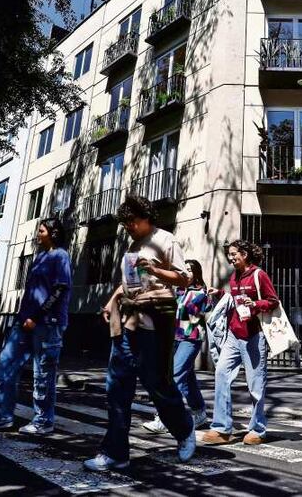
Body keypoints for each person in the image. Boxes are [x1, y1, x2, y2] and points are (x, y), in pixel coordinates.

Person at [84, 195, 196, 472]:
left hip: (154, 321)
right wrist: (111, 302)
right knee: (117, 386)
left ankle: (184, 430)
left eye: (131, 221)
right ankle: (115, 453)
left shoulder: (165, 239)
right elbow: (128, 283)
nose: (128, 227)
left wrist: (155, 269)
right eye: (125, 223)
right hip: (127, 320)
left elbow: (184, 278)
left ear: (146, 217)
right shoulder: (132, 245)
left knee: (157, 383)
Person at [0, 217, 71, 435]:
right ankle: (1, 416)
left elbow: (59, 289)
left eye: (42, 231)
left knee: (43, 374)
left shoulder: (60, 255)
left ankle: (43, 421)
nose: (38, 234)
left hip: (47, 324)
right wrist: (23, 316)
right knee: (5, 364)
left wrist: (37, 316)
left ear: (53, 234)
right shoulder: (39, 257)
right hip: (24, 321)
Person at [201, 239, 279, 446]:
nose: (231, 257)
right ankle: (221, 428)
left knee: (256, 385)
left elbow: (273, 301)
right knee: (221, 374)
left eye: (234, 253)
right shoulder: (234, 277)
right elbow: (234, 299)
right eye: (229, 254)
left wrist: (255, 304)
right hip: (233, 336)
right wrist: (220, 294)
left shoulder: (258, 275)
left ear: (245, 254)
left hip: (254, 336)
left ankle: (257, 429)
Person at [142, 259, 212, 434]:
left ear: (196, 273)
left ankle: (164, 419)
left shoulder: (202, 293)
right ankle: (199, 413)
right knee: (188, 379)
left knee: (174, 376)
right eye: (184, 270)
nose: (186, 273)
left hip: (192, 338)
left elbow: (209, 313)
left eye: (190, 270)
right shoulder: (177, 291)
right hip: (175, 338)